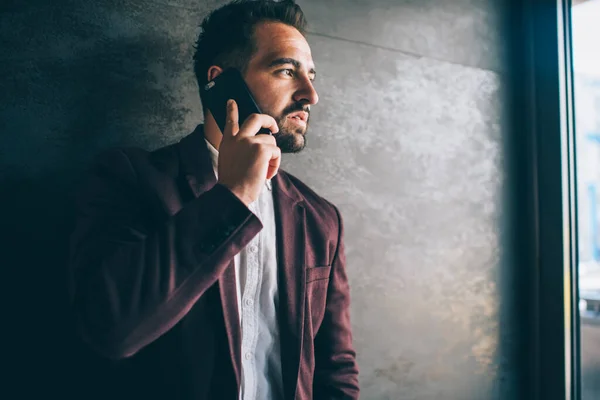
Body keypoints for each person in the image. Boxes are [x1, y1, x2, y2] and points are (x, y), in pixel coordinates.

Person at [68, 1, 359, 399]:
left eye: (310, 75)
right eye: (286, 71)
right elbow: (111, 329)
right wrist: (234, 195)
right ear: (220, 83)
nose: (311, 94)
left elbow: (336, 370)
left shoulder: (321, 219)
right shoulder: (132, 178)